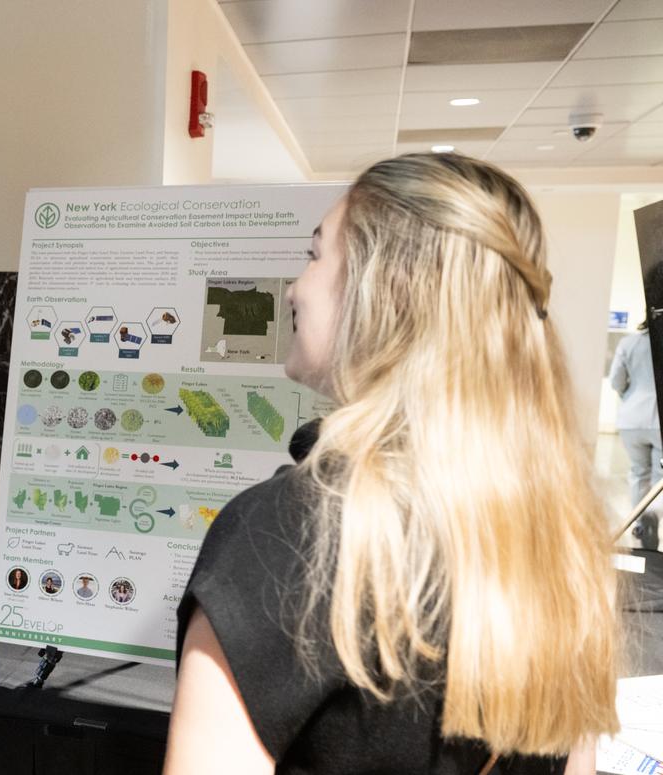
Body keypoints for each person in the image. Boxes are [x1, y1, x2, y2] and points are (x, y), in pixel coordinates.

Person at [164, 153, 618, 774]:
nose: (294, 287)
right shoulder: (559, 538)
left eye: (315, 254)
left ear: (386, 287)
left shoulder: (285, 534)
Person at [610, 322, 661, 508]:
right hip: (658, 425)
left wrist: (629, 396)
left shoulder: (628, 343)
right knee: (660, 477)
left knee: (638, 473)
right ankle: (652, 519)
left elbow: (616, 381)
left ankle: (639, 525)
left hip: (631, 420)